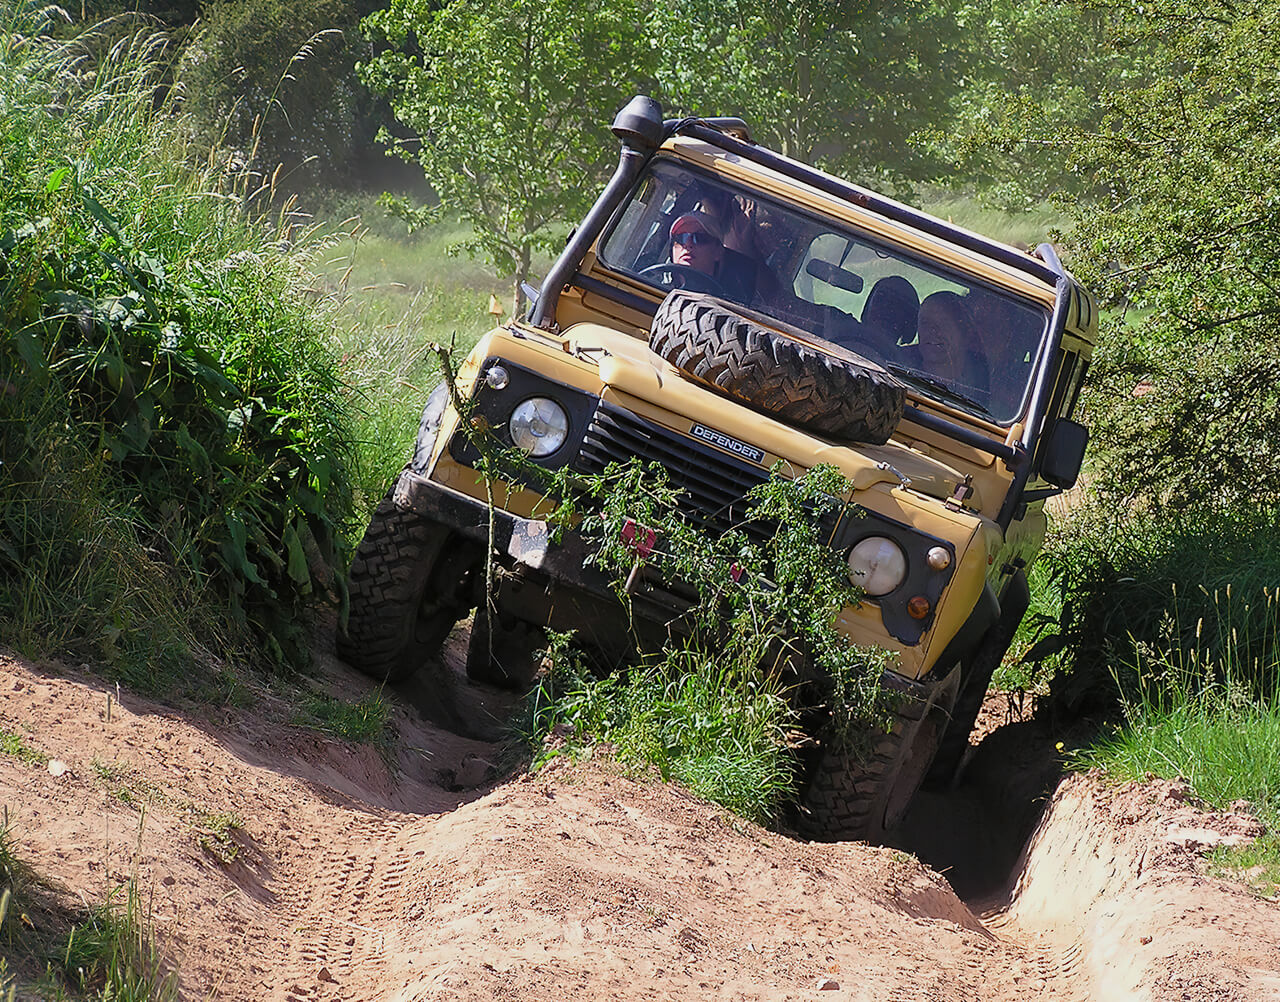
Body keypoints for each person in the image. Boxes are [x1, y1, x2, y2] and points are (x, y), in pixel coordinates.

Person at [669, 211, 724, 277]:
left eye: (700, 238)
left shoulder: (732, 287)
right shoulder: (656, 283)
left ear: (718, 251)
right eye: (680, 238)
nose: (688, 244)